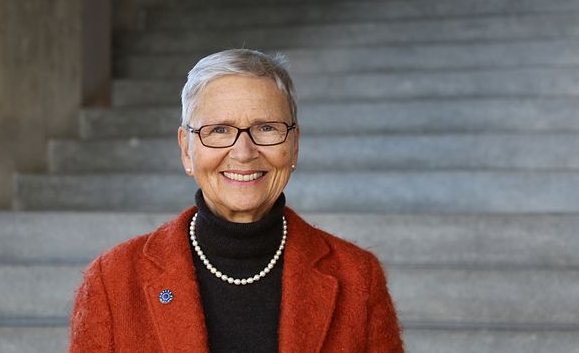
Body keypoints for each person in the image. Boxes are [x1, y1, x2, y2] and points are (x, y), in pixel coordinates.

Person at [68, 49, 404, 352]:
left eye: (267, 128)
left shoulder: (358, 277)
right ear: (187, 149)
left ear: (294, 146)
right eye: (219, 130)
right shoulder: (113, 281)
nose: (244, 153)